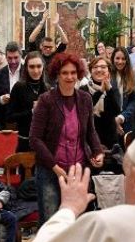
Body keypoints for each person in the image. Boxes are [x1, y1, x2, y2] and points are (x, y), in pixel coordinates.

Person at [29, 53, 104, 223]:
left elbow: (90, 131)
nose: (69, 77)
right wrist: (54, 167)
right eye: (65, 73)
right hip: (50, 171)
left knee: (78, 221)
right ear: (57, 75)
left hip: (77, 171)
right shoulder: (46, 100)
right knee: (51, 221)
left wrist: (98, 152)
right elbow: (35, 139)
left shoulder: (85, 99)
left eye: (73, 73)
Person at [80, 56, 122, 158]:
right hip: (90, 138)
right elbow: (86, 109)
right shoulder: (83, 89)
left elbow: (117, 111)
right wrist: (100, 91)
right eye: (95, 67)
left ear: (108, 70)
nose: (99, 70)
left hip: (110, 138)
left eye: (103, 67)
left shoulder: (113, 89)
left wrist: (109, 91)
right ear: (90, 70)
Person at [7, 51, 49, 151]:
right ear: (26, 68)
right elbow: (9, 117)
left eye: (39, 66)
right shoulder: (19, 87)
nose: (36, 70)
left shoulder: (46, 88)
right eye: (32, 67)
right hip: (25, 141)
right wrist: (32, 111)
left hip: (44, 142)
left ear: (43, 67)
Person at [0, 41, 23, 124]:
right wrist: (1, 99)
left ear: (21, 56)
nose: (13, 61)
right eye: (10, 58)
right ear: (6, 57)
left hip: (24, 122)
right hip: (4, 122)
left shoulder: (27, 72)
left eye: (16, 57)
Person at [110, 47, 135, 133]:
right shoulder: (107, 74)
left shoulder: (134, 75)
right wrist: (114, 120)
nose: (120, 62)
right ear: (113, 59)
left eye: (123, 59)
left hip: (128, 121)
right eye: (117, 58)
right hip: (109, 122)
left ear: (127, 60)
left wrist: (122, 117)